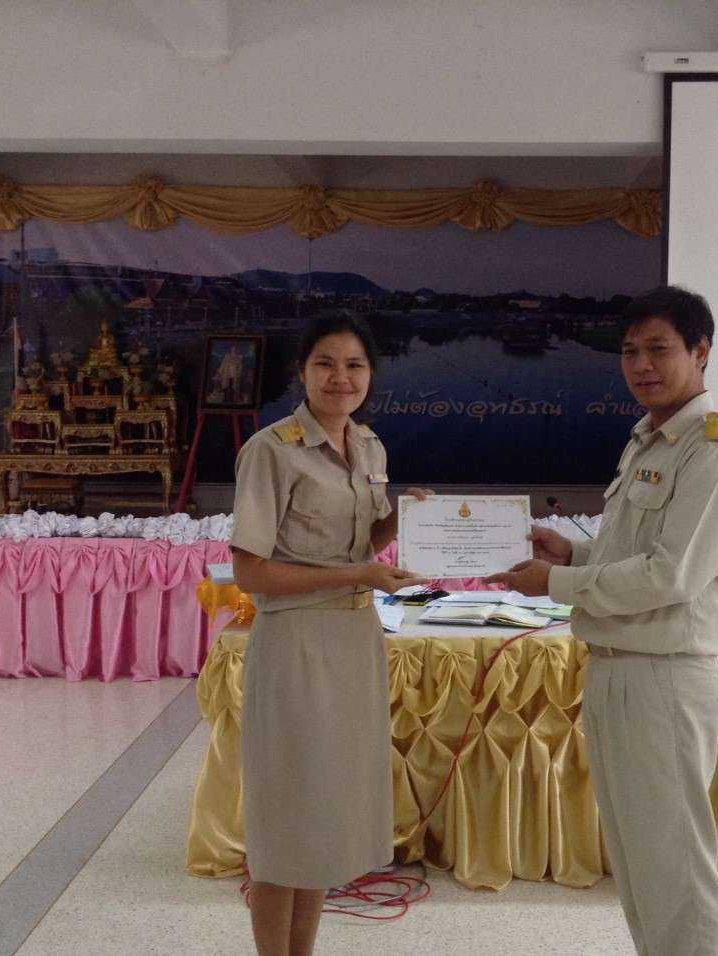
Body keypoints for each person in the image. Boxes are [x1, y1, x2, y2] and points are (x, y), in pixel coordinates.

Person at [487, 286, 718, 956]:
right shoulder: (649, 441)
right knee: (640, 859)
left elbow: (671, 576)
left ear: (700, 351)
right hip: (619, 670)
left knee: (675, 863)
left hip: (665, 676)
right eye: (630, 351)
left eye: (659, 349)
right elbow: (636, 554)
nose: (641, 365)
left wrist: (555, 583)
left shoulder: (712, 451)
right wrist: (572, 553)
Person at [230, 315, 431, 956]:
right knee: (284, 821)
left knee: (320, 817)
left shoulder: (369, 447)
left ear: (371, 375)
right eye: (325, 363)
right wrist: (357, 574)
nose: (340, 378)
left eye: (354, 365)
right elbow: (251, 572)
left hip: (354, 641)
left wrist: (402, 520)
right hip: (295, 643)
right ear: (302, 372)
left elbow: (359, 545)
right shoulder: (271, 449)